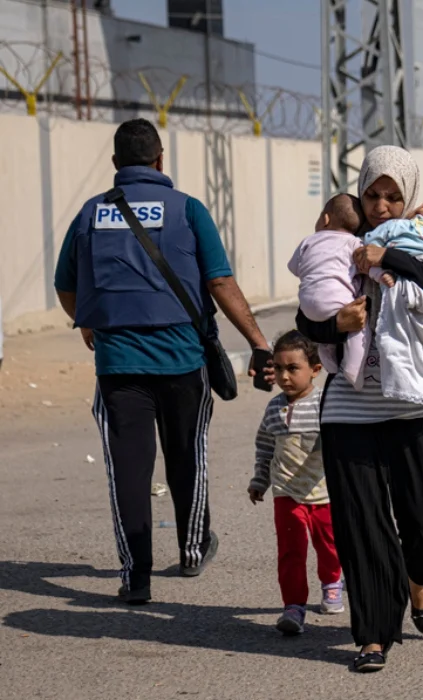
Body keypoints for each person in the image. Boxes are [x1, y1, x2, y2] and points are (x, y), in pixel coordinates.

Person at [292, 145, 423, 673]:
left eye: (392, 196)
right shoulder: (339, 243)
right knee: (362, 526)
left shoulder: (422, 239)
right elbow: (306, 316)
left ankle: (418, 576)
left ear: (408, 197)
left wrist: (387, 257)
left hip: (415, 408)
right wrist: (335, 325)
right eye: (372, 195)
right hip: (350, 411)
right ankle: (373, 634)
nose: (381, 205)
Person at [53, 118, 270, 605]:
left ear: (116, 163)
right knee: (187, 455)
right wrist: (257, 340)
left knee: (128, 471)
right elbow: (219, 282)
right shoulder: (188, 209)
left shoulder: (89, 213)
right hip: (182, 360)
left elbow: (65, 284)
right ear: (160, 160)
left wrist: (87, 320)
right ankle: (193, 550)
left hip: (118, 366)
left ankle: (136, 577)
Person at [248, 331, 343, 635]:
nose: (284, 377)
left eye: (292, 368)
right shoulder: (274, 409)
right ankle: (293, 606)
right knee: (290, 551)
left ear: (315, 369)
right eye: (278, 368)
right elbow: (265, 447)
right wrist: (260, 479)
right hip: (286, 493)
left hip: (324, 493)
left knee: (330, 546)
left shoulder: (325, 404)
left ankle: (332, 582)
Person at [289, 194, 374, 388]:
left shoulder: (308, 241)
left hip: (307, 305)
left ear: (325, 219)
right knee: (360, 327)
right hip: (339, 303)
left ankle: (328, 354)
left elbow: (294, 267)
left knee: (329, 328)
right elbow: (366, 265)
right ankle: (354, 368)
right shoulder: (355, 243)